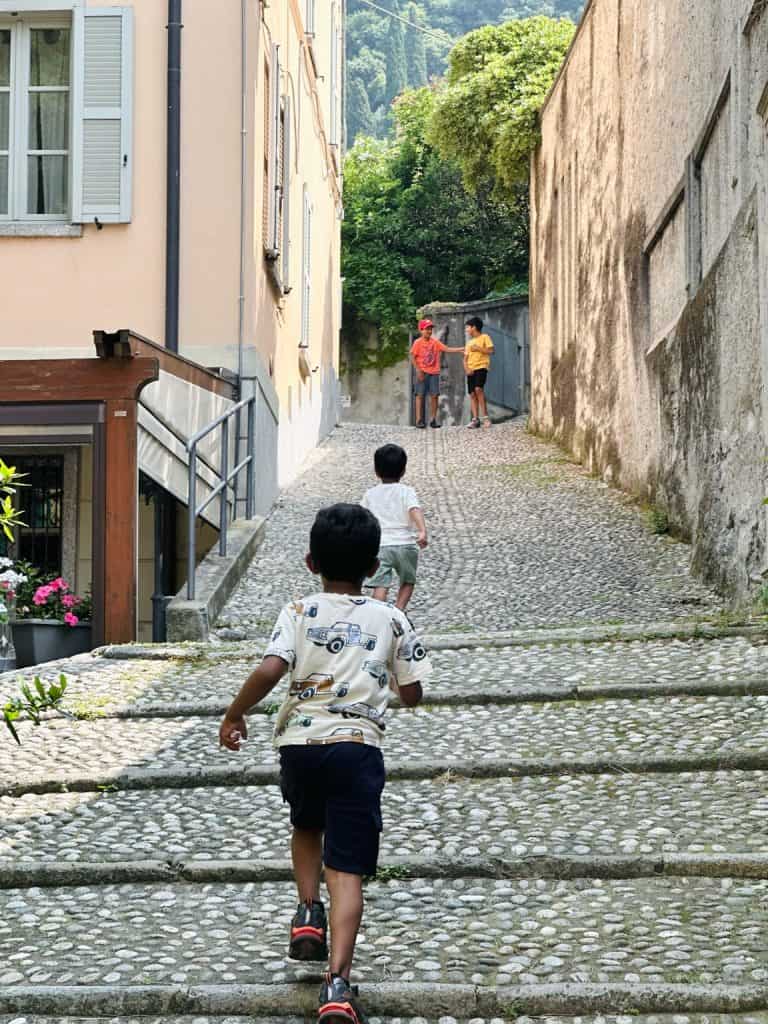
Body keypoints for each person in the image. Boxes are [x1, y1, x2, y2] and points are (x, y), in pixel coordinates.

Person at [219, 503, 431, 1024]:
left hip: (299, 747)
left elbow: (271, 667)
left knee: (306, 824)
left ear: (311, 562)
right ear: (374, 564)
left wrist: (235, 713)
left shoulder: (297, 611)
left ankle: (307, 912)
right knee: (349, 867)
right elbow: (413, 692)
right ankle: (337, 984)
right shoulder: (393, 617)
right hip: (357, 748)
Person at [361, 443, 427, 611]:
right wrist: (422, 531)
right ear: (403, 470)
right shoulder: (407, 491)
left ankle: (379, 614)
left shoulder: (370, 494)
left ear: (376, 471)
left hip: (381, 546)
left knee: (380, 584)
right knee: (407, 580)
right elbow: (414, 509)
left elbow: (363, 517)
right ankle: (399, 611)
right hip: (406, 544)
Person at [410, 318, 464, 428]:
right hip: (422, 372)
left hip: (434, 373)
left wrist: (461, 349)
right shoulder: (417, 343)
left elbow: (446, 349)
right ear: (421, 330)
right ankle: (419, 420)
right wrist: (418, 370)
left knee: (434, 396)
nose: (429, 331)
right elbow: (412, 357)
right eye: (426, 329)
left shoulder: (435, 342)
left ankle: (433, 420)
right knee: (419, 396)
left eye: (430, 329)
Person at [464, 316, 495, 429]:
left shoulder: (485, 337)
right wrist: (467, 369)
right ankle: (475, 420)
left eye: (468, 327)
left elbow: (491, 351)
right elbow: (465, 359)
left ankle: (486, 418)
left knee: (478, 389)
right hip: (471, 370)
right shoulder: (469, 342)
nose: (466, 330)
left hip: (482, 367)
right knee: (472, 394)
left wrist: (479, 349)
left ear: (474, 327)